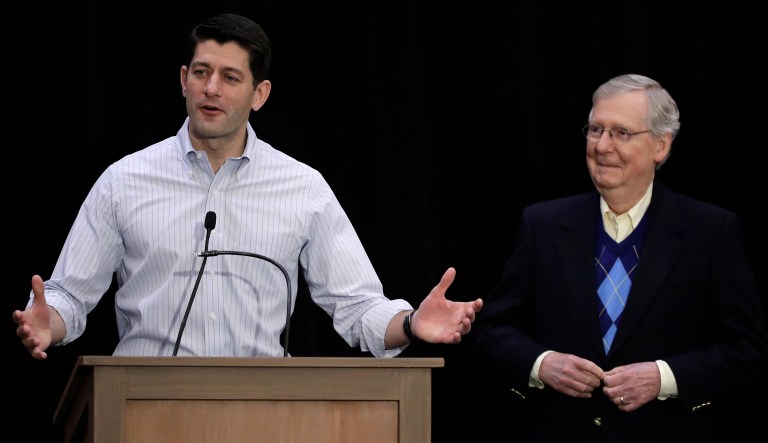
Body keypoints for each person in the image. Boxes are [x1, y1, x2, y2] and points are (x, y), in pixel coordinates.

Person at [12, 13, 482, 361]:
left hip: (261, 409)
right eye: (200, 72)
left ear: (260, 94)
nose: (210, 88)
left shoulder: (302, 187)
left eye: (230, 77)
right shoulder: (123, 182)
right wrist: (46, 324)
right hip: (143, 404)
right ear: (183, 80)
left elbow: (358, 307)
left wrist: (411, 326)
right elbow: (70, 297)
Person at [473, 73, 768, 441]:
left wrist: (663, 377)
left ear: (661, 145)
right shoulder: (542, 225)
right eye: (596, 130)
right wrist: (543, 364)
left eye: (621, 133)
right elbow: (493, 332)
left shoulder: (710, 231)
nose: (602, 146)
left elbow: (747, 351)